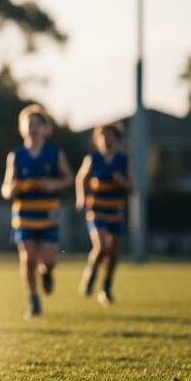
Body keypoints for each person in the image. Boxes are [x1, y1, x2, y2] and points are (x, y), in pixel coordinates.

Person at [1, 105, 72, 318]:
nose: (32, 128)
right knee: (28, 258)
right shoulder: (16, 156)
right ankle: (33, 300)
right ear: (22, 129)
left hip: (48, 214)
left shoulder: (54, 153)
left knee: (49, 259)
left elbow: (68, 178)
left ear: (45, 129)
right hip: (23, 215)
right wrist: (10, 190)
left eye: (37, 124)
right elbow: (5, 189)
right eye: (28, 124)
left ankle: (47, 273)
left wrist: (52, 185)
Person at [76, 123, 132, 305]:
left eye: (110, 136)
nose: (106, 140)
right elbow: (81, 179)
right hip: (96, 211)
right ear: (97, 140)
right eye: (103, 136)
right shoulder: (92, 159)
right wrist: (81, 198)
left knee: (114, 253)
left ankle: (106, 288)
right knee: (101, 247)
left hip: (115, 212)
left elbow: (132, 186)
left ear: (117, 139)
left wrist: (121, 181)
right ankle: (91, 272)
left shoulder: (123, 160)